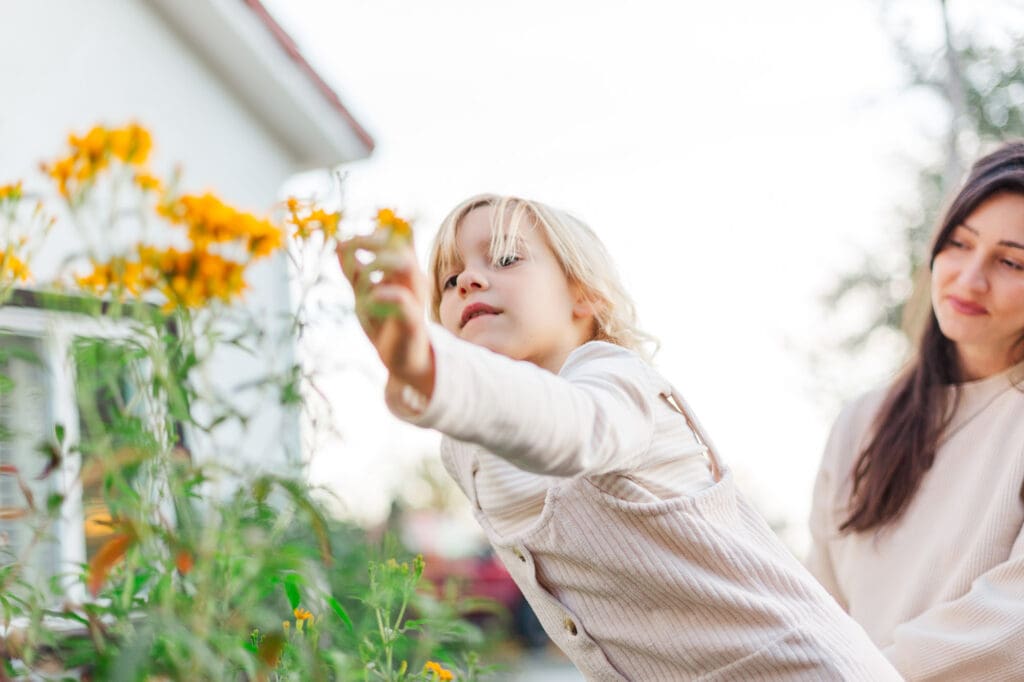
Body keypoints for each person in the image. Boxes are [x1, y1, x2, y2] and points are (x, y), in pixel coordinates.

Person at [339, 194, 899, 680]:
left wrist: (429, 365)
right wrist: (415, 363)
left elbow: (575, 428)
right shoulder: (468, 448)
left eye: (506, 258)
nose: (468, 279)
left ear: (584, 296)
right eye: (447, 279)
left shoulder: (618, 381)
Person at [808, 141, 1024, 680]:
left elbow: (1011, 625)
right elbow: (818, 602)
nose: (970, 279)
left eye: (1011, 261)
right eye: (959, 244)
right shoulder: (862, 420)